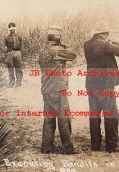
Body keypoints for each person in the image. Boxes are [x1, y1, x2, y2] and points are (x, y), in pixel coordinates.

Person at [83, 20, 119, 153]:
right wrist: (112, 42)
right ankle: (111, 145)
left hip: (91, 83)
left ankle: (95, 145)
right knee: (111, 114)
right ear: (106, 33)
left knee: (94, 114)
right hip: (105, 84)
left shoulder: (87, 44)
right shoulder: (105, 44)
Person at [39, 25, 77, 154]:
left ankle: (46, 147)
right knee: (64, 118)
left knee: (49, 118)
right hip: (58, 89)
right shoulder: (56, 50)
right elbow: (73, 55)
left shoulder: (42, 51)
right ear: (56, 38)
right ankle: (67, 147)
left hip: (46, 88)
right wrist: (64, 45)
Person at [5, 22, 23, 88]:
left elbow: (21, 45)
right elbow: (5, 46)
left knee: (18, 68)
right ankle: (11, 82)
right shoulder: (6, 38)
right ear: (9, 29)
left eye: (13, 28)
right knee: (10, 68)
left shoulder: (19, 36)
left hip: (18, 52)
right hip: (9, 53)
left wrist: (18, 52)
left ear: (15, 28)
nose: (12, 29)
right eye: (10, 28)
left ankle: (19, 83)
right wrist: (7, 54)